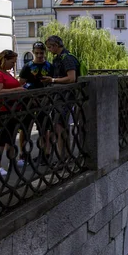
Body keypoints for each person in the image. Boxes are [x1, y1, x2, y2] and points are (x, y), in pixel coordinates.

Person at [41, 35, 79, 163]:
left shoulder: (66, 58)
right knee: (61, 127)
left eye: (50, 47)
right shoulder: (59, 58)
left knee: (60, 127)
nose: (49, 50)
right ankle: (65, 156)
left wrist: (52, 80)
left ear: (56, 45)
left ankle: (64, 157)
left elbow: (71, 78)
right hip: (60, 97)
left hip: (65, 97)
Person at [0, 50, 27, 176]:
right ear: (4, 60)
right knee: (1, 139)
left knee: (10, 138)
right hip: (2, 110)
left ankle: (12, 161)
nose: (14, 64)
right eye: (12, 62)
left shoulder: (6, 73)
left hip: (12, 109)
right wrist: (17, 89)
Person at [18, 41, 53, 165]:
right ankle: (22, 153)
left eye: (41, 53)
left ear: (45, 52)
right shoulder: (27, 66)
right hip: (28, 101)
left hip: (44, 100)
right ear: (33, 52)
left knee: (44, 127)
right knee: (25, 127)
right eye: (37, 53)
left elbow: (53, 83)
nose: (39, 55)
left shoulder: (50, 66)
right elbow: (21, 83)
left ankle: (45, 153)